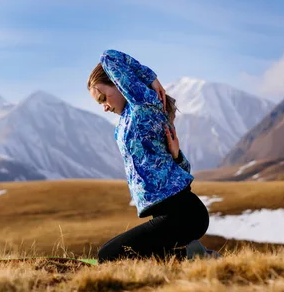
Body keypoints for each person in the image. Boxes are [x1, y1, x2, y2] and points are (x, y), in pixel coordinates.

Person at [87, 49, 220, 263]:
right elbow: (182, 171)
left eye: (103, 97)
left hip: (183, 213)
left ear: (118, 84)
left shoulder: (142, 105)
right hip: (171, 213)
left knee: (109, 256)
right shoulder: (123, 123)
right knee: (129, 256)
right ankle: (195, 257)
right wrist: (177, 156)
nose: (104, 106)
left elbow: (108, 57)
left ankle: (195, 257)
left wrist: (151, 78)